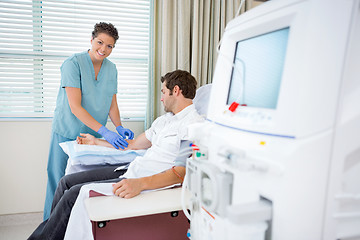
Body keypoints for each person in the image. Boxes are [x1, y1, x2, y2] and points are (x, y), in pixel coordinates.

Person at [28, 69, 203, 240]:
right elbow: (132, 145)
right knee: (65, 182)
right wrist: (96, 141)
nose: (161, 98)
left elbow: (181, 172)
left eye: (164, 92)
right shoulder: (164, 121)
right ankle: (51, 232)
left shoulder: (193, 125)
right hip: (133, 168)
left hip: (144, 179)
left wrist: (140, 184)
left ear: (176, 90)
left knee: (71, 196)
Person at [43, 22, 134, 221]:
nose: (103, 49)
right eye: (100, 42)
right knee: (58, 179)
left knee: (81, 182)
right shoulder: (72, 64)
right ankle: (50, 224)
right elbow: (75, 107)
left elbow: (112, 104)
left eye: (109, 46)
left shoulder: (112, 69)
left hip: (92, 136)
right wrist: (106, 131)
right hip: (67, 129)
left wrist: (118, 127)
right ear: (91, 40)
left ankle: (75, 224)